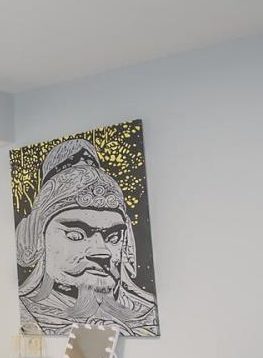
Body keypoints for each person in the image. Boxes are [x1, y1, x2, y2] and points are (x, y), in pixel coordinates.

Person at [16, 137, 158, 336]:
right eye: (76, 235)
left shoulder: (148, 316)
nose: (102, 252)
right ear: (39, 237)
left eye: (113, 238)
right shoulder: (23, 315)